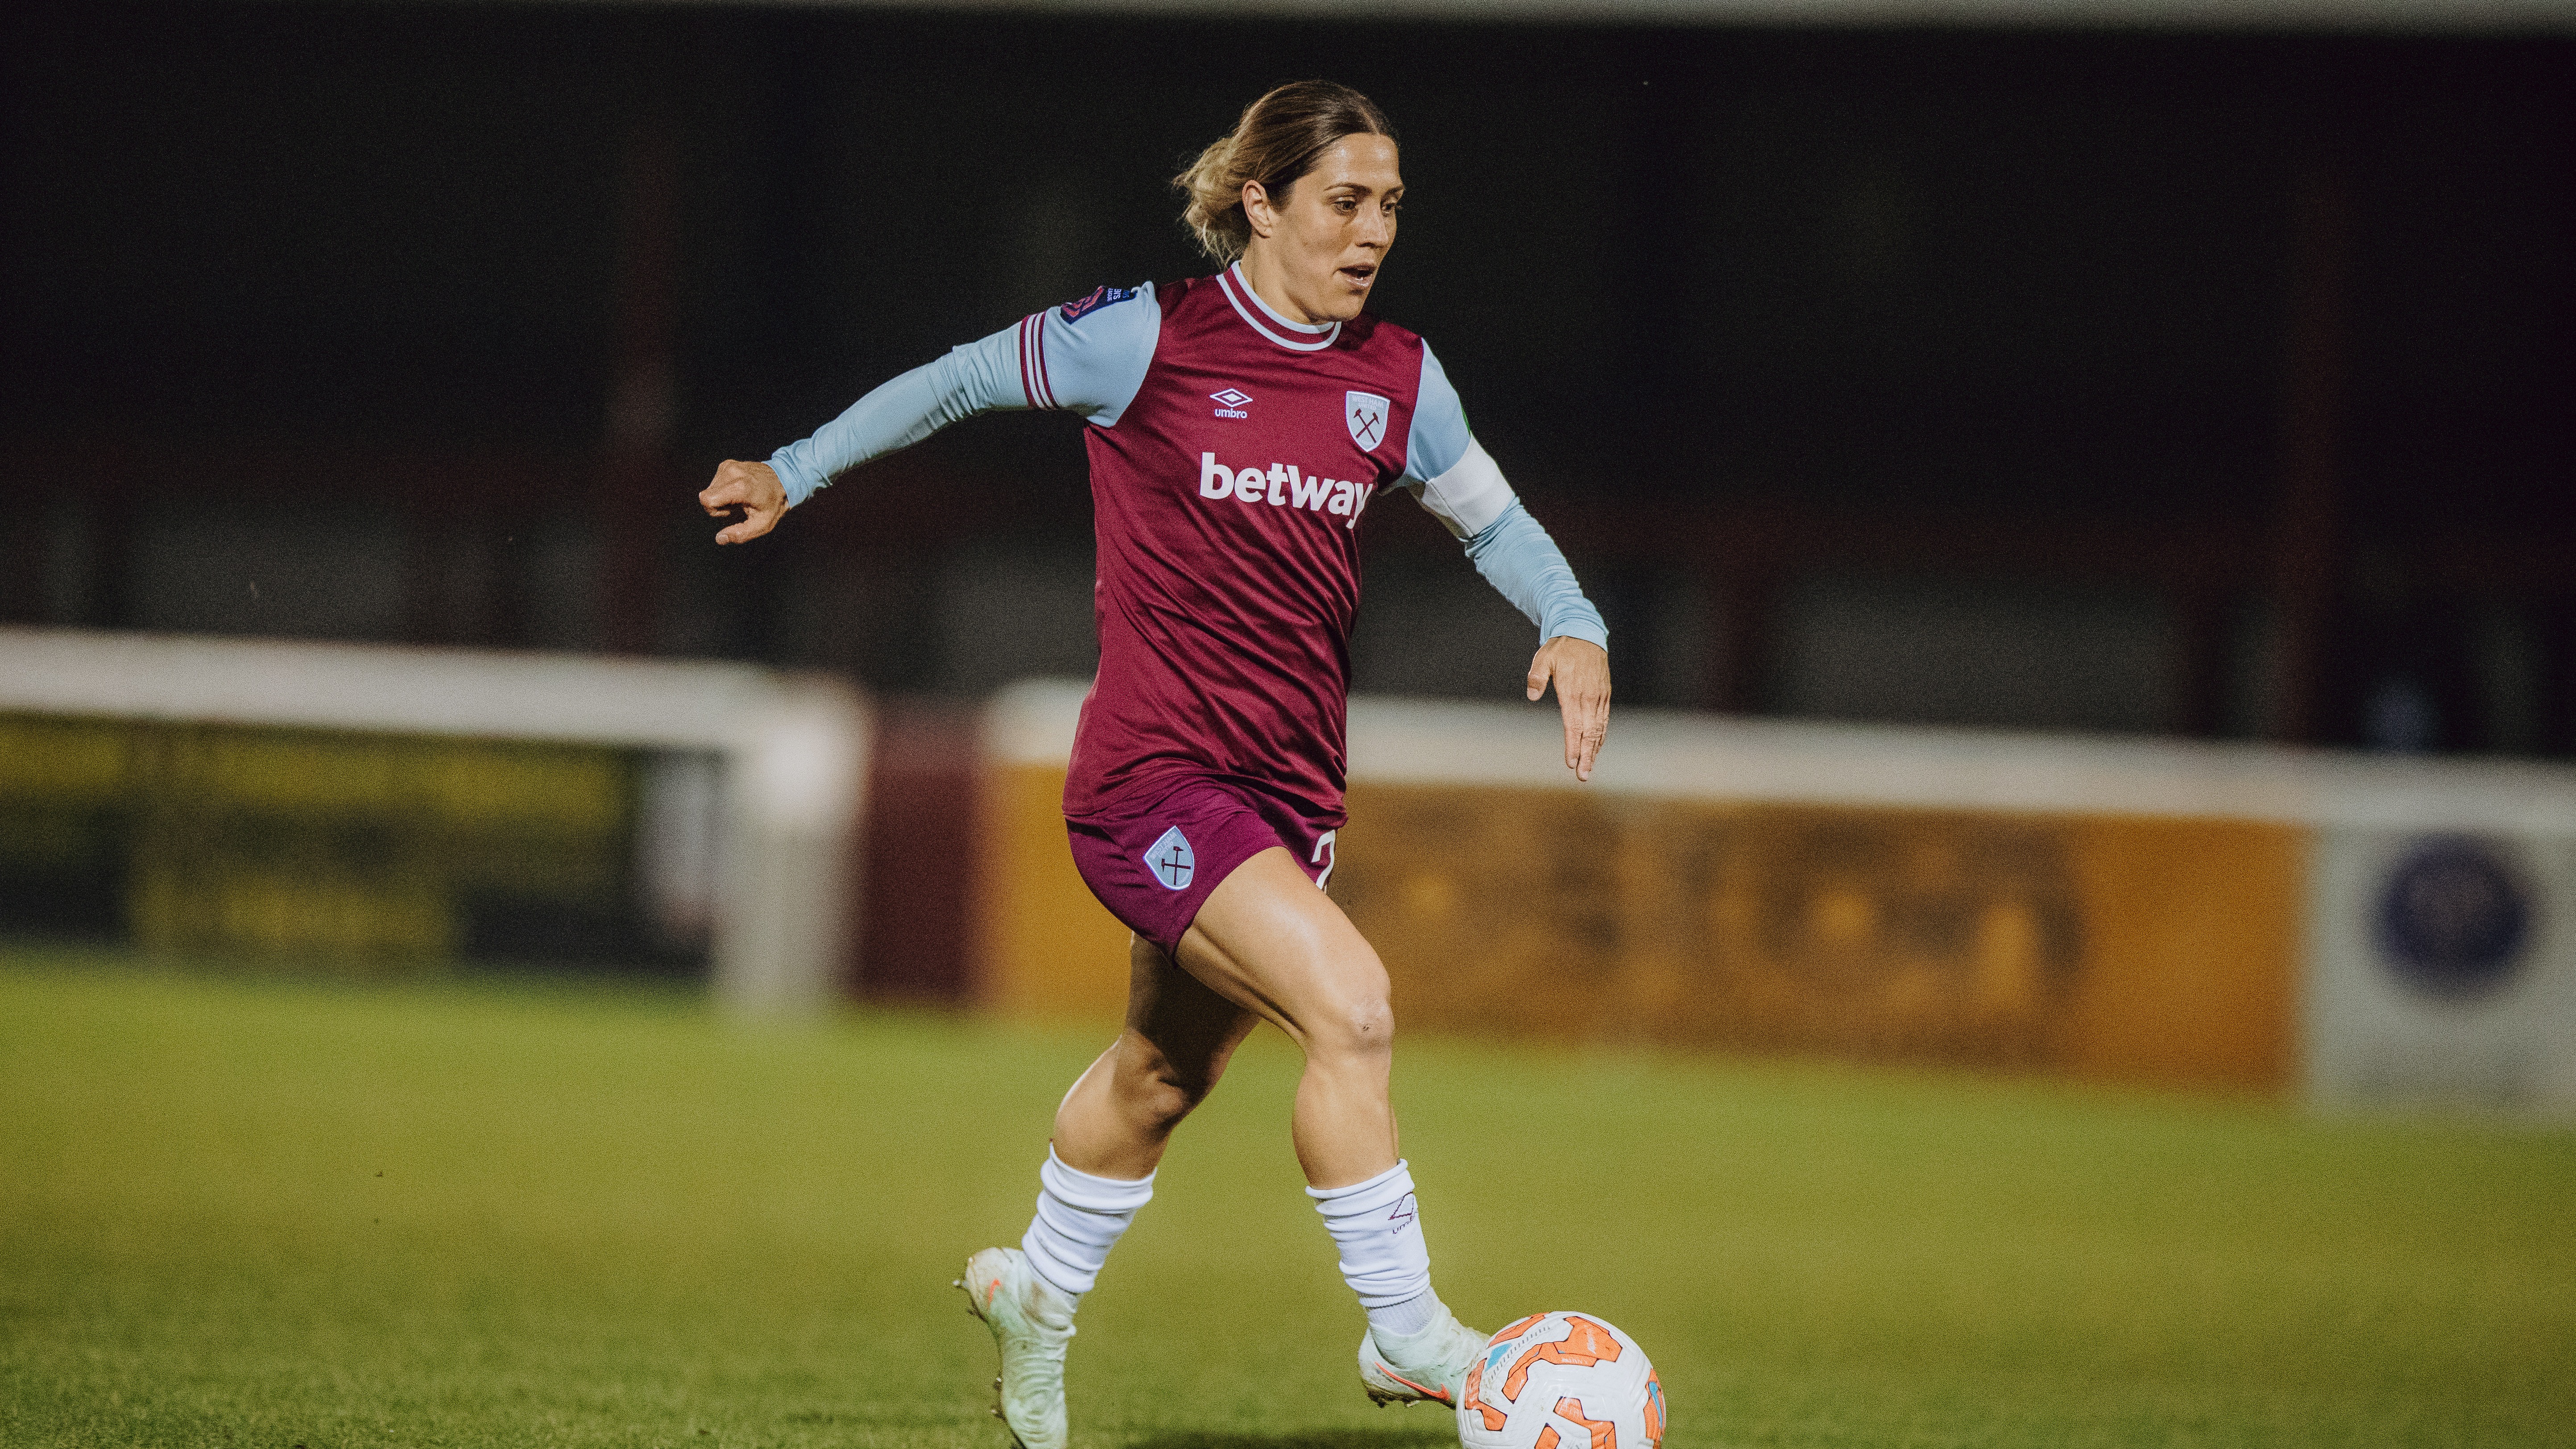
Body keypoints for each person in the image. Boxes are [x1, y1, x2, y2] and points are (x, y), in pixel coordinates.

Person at [698, 80, 1611, 1449]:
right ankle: (1408, 1330)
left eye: (1392, 207)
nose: (1374, 234)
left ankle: (1037, 1295)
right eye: (1345, 202)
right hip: (1154, 787)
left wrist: (1574, 618)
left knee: (1159, 1077)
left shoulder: (1398, 381)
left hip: (1290, 799)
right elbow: (957, 379)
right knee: (1353, 1014)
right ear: (1263, 200)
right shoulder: (1148, 338)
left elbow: (1497, 522)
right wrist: (796, 467)